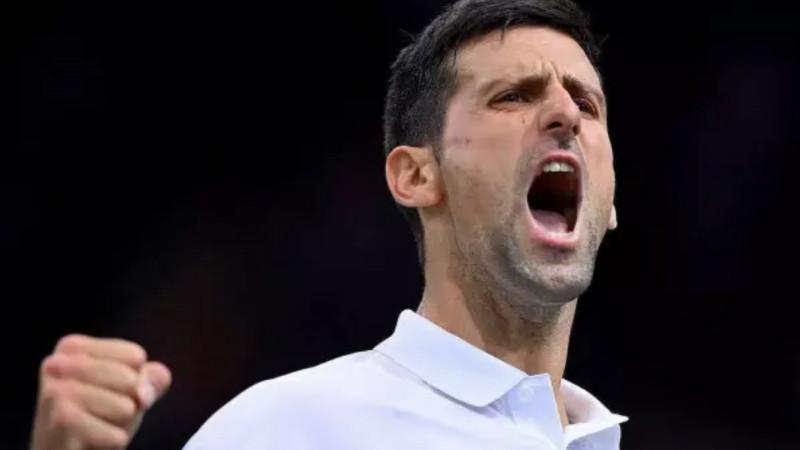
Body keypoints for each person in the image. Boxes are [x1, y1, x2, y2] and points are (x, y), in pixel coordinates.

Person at [29, 0, 627, 448]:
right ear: (416, 176)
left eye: (586, 102)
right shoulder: (288, 428)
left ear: (609, 204)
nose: (565, 114)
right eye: (514, 96)